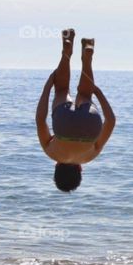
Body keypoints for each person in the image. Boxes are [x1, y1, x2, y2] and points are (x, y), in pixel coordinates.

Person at [36, 29, 116, 191]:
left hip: (90, 127)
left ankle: (87, 57)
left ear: (80, 170)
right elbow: (40, 120)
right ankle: (66, 52)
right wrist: (47, 87)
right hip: (64, 124)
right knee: (62, 90)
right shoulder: (52, 154)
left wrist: (97, 92)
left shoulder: (90, 156)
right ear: (56, 167)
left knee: (85, 94)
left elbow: (111, 121)